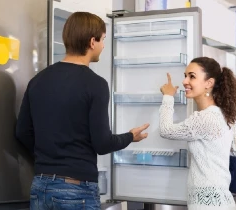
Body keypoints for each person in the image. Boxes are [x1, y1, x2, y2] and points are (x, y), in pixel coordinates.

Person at [16, 12, 150, 210]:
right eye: (103, 39)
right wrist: (130, 136)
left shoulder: (38, 80)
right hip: (75, 189)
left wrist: (48, 159)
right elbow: (102, 143)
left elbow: (22, 132)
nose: (104, 45)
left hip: (40, 186)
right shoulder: (95, 85)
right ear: (92, 41)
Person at [159, 57, 236, 210]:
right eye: (185, 75)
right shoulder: (225, 116)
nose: (185, 81)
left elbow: (166, 130)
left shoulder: (204, 118)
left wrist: (168, 97)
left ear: (209, 83)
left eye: (192, 76)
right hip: (224, 201)